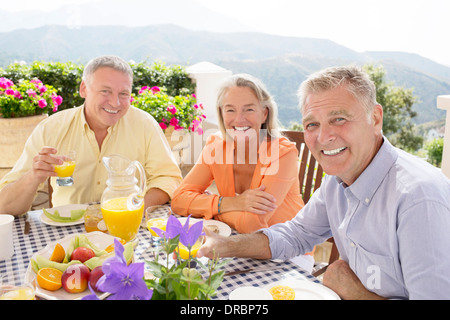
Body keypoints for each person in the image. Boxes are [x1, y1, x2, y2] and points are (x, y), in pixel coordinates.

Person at [197, 66, 450, 300]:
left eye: (339, 119)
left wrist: (355, 292)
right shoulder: (336, 181)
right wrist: (226, 245)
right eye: (312, 124)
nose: (323, 137)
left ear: (375, 118)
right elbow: (295, 235)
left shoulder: (419, 198)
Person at [0, 55, 182, 216]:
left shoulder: (144, 124)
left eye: (123, 93)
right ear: (84, 89)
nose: (115, 102)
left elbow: (168, 178)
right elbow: (4, 206)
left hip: (125, 225)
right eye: (105, 91)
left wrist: (136, 208)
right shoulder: (51, 129)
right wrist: (34, 176)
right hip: (67, 235)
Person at [171, 74, 305, 234]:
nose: (239, 119)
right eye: (230, 110)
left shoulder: (282, 154)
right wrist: (235, 203)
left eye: (249, 109)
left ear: (264, 114)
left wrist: (209, 210)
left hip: (286, 250)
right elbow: (179, 201)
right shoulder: (216, 146)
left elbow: (252, 225)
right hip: (237, 242)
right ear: (221, 114)